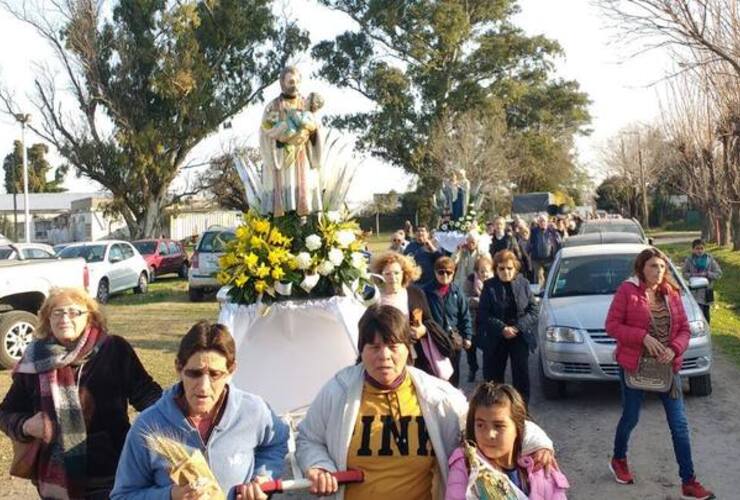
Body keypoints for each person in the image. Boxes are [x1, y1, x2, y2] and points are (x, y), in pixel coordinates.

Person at [295, 305, 556, 500]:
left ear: (408, 348)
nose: (383, 356)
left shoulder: (435, 395)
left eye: (392, 345)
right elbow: (309, 439)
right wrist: (319, 466)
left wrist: (539, 443)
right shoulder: (338, 391)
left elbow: (485, 419)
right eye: (373, 347)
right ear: (361, 351)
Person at [0, 287, 162, 499]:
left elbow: (148, 396)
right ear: (47, 318)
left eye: (74, 312)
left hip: (112, 473)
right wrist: (26, 426)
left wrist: (173, 420)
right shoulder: (34, 360)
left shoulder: (114, 349)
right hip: (56, 480)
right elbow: (5, 413)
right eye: (56, 312)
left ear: (91, 317)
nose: (64, 318)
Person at [112, 321, 289, 500]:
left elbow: (276, 441)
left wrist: (262, 478)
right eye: (195, 373)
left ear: (231, 370)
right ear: (178, 368)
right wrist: (170, 496)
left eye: (215, 374)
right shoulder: (148, 427)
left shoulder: (253, 410)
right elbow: (123, 495)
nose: (204, 387)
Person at [605, 248, 714, 500]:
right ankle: (619, 458)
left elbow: (685, 329)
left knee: (679, 425)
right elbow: (611, 326)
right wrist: (642, 336)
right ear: (641, 267)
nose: (659, 271)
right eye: (654, 266)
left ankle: (689, 481)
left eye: (663, 267)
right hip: (635, 366)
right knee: (631, 417)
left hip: (668, 369)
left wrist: (675, 349)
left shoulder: (672, 293)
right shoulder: (627, 291)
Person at [446, 383, 570, 500]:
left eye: (499, 426)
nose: (489, 434)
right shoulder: (466, 465)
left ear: (518, 428)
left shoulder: (540, 467)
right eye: (480, 425)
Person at [370, 251, 455, 379]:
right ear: (380, 276)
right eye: (387, 274)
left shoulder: (415, 293)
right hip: (390, 358)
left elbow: (429, 321)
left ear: (404, 273)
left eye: (396, 273)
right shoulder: (376, 299)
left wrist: (423, 330)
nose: (393, 277)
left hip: (418, 356)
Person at [260, 65, 323, 216]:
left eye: (296, 82)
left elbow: (317, 128)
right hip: (281, 158)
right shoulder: (273, 107)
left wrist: (311, 132)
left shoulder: (307, 105)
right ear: (282, 83)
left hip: (302, 157)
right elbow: (265, 131)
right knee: (284, 189)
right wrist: (282, 134)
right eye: (290, 82)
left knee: (304, 191)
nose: (294, 86)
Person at [478, 250, 538, 404]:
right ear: (496, 269)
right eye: (502, 269)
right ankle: (494, 408)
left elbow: (533, 310)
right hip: (497, 337)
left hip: (519, 335)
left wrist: (517, 327)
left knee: (521, 376)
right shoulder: (489, 286)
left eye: (509, 268)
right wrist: (502, 329)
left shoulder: (523, 283)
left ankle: (521, 411)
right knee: (494, 379)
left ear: (515, 268)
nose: (506, 272)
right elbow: (484, 314)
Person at [423, 256, 473, 387]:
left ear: (453, 273)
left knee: (453, 373)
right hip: (433, 339)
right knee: (435, 373)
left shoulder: (457, 292)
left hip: (453, 340)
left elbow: (465, 315)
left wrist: (467, 336)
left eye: (449, 272)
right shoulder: (426, 292)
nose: (445, 275)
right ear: (435, 272)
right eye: (441, 272)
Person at [463, 254, 494, 383]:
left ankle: (488, 375)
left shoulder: (493, 282)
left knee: (488, 348)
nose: (485, 274)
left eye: (487, 271)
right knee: (471, 348)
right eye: (482, 271)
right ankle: (473, 368)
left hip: (487, 322)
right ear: (476, 271)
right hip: (472, 320)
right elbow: (464, 299)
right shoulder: (470, 281)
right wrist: (478, 301)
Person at [682, 239, 722, 324]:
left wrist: (707, 274)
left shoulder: (710, 260)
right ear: (693, 249)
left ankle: (707, 332)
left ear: (704, 249)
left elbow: (718, 274)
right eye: (697, 248)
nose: (699, 251)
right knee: (696, 314)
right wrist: (693, 275)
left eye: (701, 248)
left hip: (706, 292)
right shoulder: (689, 260)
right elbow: (684, 274)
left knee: (706, 314)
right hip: (694, 292)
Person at [529, 214, 561, 287]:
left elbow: (558, 240)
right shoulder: (534, 231)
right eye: (540, 221)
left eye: (544, 221)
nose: (542, 223)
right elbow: (530, 243)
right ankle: (542, 291)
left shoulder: (551, 230)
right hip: (537, 259)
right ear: (538, 222)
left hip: (549, 258)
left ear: (547, 222)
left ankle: (548, 289)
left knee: (549, 276)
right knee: (539, 276)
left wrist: (555, 230)